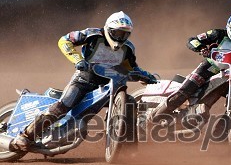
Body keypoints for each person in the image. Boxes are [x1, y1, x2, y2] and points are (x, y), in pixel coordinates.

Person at [11, 11, 156, 151]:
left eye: (124, 34)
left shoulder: (128, 48)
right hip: (83, 80)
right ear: (108, 29)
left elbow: (131, 67)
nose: (120, 37)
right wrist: (77, 60)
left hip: (107, 86)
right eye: (117, 33)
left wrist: (145, 76)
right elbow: (64, 40)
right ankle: (26, 136)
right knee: (63, 105)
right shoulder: (91, 34)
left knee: (129, 103)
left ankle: (129, 149)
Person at [148, 11, 231, 124]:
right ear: (230, 27)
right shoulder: (217, 34)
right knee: (184, 91)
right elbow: (192, 40)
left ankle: (223, 131)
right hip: (210, 68)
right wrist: (201, 48)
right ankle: (154, 117)